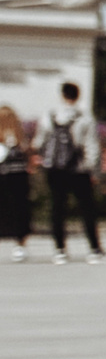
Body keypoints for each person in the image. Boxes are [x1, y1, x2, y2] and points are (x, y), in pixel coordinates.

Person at [39, 81, 105, 264]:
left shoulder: (49, 116)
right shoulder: (84, 118)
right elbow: (93, 146)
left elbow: (40, 143)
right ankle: (94, 249)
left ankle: (59, 250)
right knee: (87, 209)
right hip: (79, 169)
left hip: (55, 170)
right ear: (78, 95)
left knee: (57, 208)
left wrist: (46, 161)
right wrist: (94, 171)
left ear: (62, 95)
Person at [0, 105, 30, 261]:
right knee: (19, 209)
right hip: (19, 176)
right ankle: (20, 244)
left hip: (6, 176)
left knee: (11, 209)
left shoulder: (17, 136)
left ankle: (19, 243)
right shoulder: (20, 136)